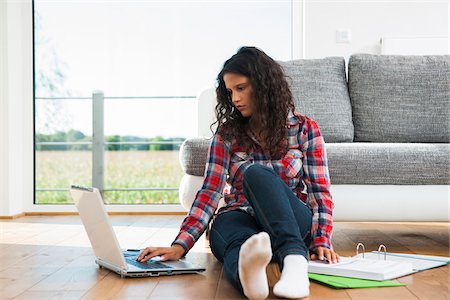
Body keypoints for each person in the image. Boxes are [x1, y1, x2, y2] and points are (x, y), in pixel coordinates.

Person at [138, 46, 340, 299]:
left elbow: (320, 193)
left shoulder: (304, 129)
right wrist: (180, 245)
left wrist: (322, 240)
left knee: (255, 174)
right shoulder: (227, 134)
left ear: (264, 85)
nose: (234, 99)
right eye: (230, 91)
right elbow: (210, 191)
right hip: (239, 215)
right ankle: (249, 280)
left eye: (241, 88)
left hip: (290, 220)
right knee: (235, 241)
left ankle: (295, 262)